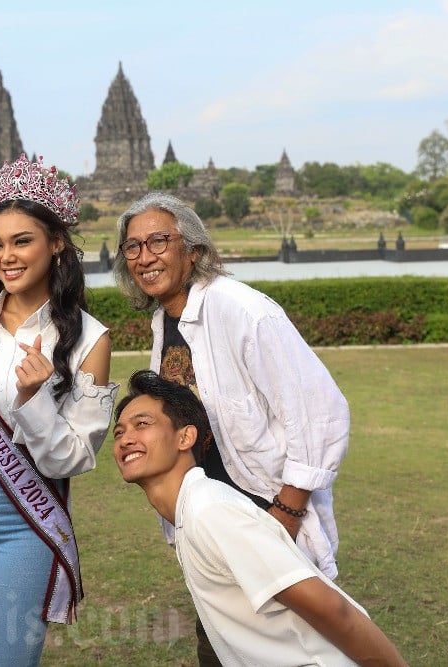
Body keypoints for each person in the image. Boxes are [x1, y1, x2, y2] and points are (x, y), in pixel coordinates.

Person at [114, 192, 350, 664]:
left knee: (292, 645)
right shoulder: (167, 320)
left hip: (264, 515)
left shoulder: (241, 309)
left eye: (159, 241)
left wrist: (286, 511)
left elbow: (318, 409)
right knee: (226, 644)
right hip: (212, 519)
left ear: (193, 250)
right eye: (133, 247)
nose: (144, 257)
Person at [112, 370, 408, 667]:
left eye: (142, 425)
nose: (126, 439)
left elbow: (334, 610)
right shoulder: (191, 510)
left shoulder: (210, 511)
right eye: (120, 432)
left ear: (185, 437)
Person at [0, 153, 119, 666]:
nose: (7, 256)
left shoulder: (88, 338)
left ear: (56, 243)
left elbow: (75, 458)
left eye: (22, 241)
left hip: (27, 515)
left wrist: (34, 401)